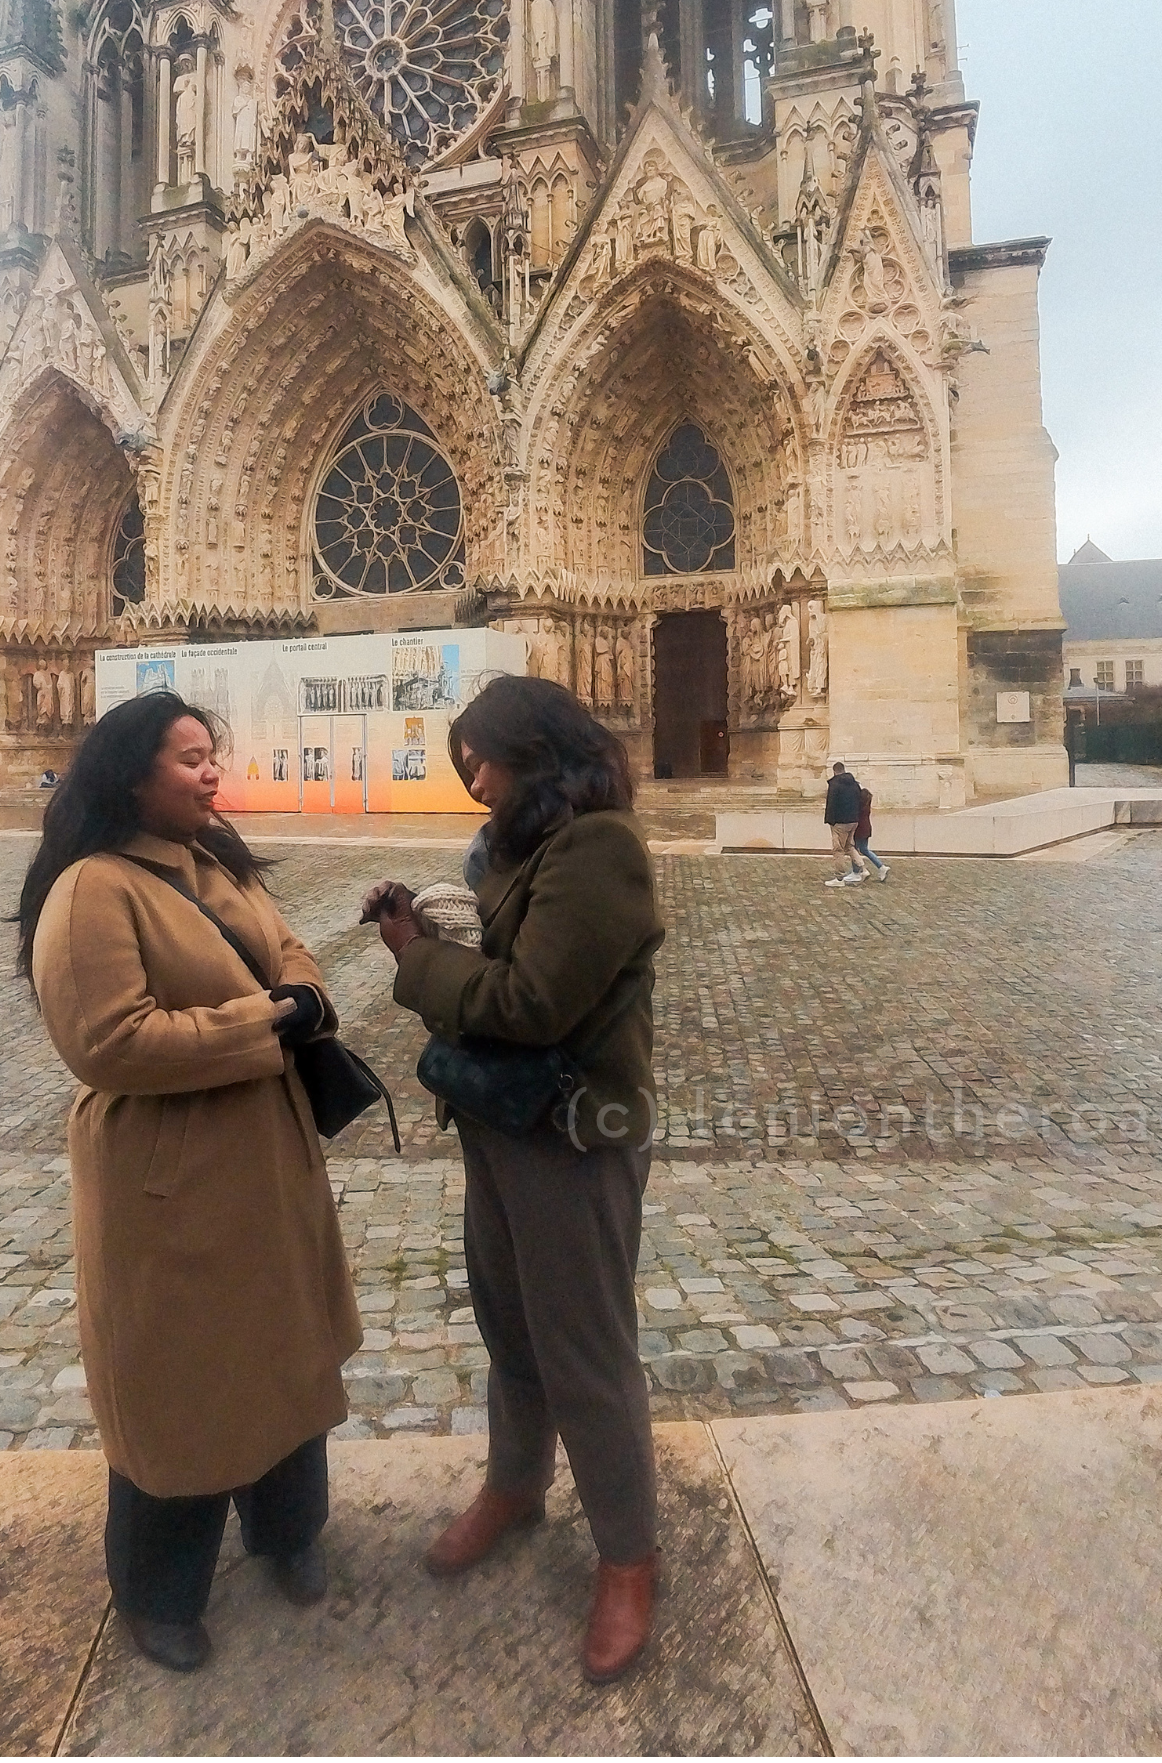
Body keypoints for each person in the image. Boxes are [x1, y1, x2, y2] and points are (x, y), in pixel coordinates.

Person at [15, 691, 360, 1675]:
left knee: (284, 1356)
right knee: (179, 1383)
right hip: (170, 1182)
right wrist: (268, 1023)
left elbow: (289, 952)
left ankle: (288, 1532)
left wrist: (304, 996)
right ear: (132, 775)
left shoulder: (216, 861)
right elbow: (108, 1042)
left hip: (266, 1158)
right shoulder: (92, 889)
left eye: (214, 755)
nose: (213, 774)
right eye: (191, 758)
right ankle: (159, 1590)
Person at [360, 675, 666, 1685]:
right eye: (465, 765)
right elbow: (497, 961)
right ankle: (515, 1485)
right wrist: (433, 921)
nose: (473, 780)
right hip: (501, 1124)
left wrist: (414, 956)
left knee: (585, 1347)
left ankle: (627, 1555)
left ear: (537, 751)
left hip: (573, 1135)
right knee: (510, 1327)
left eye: (482, 760)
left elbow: (532, 1001)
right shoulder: (512, 846)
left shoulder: (598, 848)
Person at [823, 760, 865, 886]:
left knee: (838, 850)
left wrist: (830, 821)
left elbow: (831, 804)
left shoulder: (835, 784)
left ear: (834, 771)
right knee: (849, 846)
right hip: (853, 820)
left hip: (840, 822)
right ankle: (862, 868)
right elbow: (860, 800)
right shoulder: (855, 784)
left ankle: (839, 878)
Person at [853, 781, 890, 880]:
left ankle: (858, 871)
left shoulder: (859, 802)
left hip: (859, 828)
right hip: (866, 827)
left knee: (854, 849)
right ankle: (880, 867)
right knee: (864, 849)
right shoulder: (866, 800)